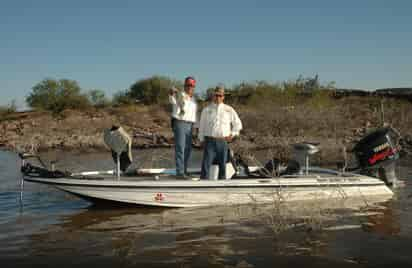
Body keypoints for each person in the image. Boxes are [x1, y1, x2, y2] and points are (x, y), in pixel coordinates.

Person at [198, 86, 243, 180]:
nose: (218, 97)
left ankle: (221, 185)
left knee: (223, 166)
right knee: (206, 165)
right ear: (213, 96)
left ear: (223, 97)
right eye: (216, 95)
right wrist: (201, 139)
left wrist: (233, 134)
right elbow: (201, 126)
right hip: (209, 141)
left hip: (223, 141)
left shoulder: (229, 109)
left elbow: (238, 124)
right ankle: (202, 184)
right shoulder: (206, 110)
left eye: (220, 95)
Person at [169, 76, 198, 178]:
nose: (190, 87)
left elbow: (193, 114)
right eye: (188, 85)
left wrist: (196, 127)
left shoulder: (194, 99)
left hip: (190, 125)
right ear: (185, 85)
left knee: (187, 149)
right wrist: (172, 93)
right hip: (180, 123)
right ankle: (180, 172)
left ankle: (184, 170)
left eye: (192, 85)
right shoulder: (179, 94)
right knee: (180, 148)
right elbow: (172, 100)